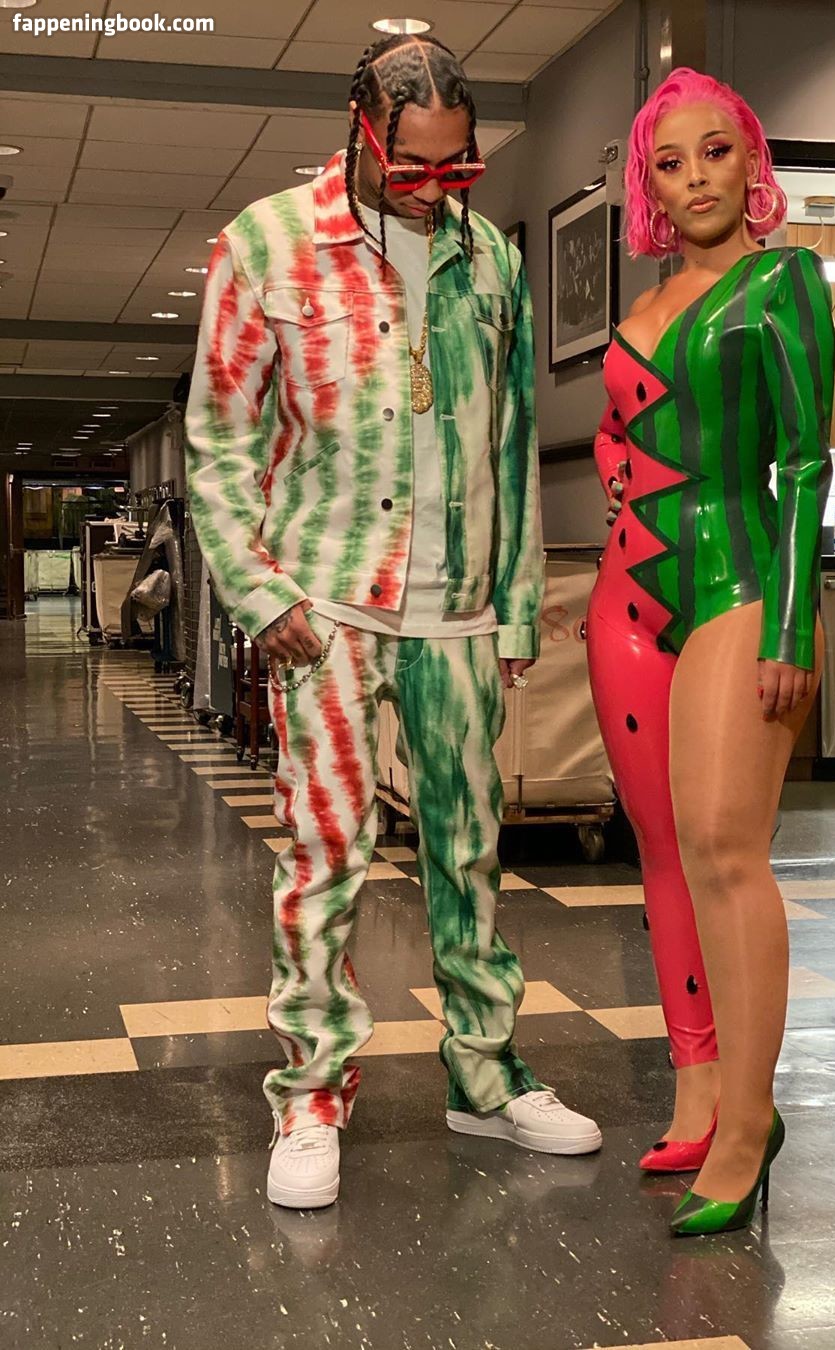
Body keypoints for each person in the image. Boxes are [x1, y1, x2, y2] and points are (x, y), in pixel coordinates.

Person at [185, 32, 601, 1211]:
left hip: (459, 609)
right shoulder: (267, 243)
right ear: (362, 131)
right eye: (413, 166)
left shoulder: (490, 257)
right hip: (326, 606)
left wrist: (514, 605)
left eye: (458, 167)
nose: (434, 188)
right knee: (326, 856)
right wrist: (262, 594)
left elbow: (512, 443)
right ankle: (312, 1092)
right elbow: (219, 441)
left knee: (470, 851)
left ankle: (485, 1076)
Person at [585, 68, 834, 1236]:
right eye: (669, 162)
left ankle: (748, 1119)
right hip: (625, 600)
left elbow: (805, 462)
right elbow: (616, 433)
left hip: (740, 583)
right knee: (664, 852)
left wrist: (791, 621)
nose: (694, 179)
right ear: (650, 184)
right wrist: (613, 467)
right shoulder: (647, 301)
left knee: (728, 851)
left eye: (715, 152)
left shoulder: (787, 280)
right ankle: (695, 1092)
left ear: (752, 160)